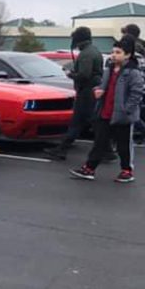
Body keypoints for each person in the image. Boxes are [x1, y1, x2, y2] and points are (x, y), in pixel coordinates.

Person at [70, 35, 144, 183]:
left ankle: (127, 171)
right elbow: (104, 86)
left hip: (122, 115)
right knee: (99, 142)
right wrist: (98, 91)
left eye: (118, 52)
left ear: (128, 55)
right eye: (113, 52)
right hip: (105, 111)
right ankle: (89, 169)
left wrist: (127, 109)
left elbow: (137, 93)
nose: (114, 55)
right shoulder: (109, 69)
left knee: (124, 145)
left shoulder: (133, 72)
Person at [43, 27, 103, 160]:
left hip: (86, 92)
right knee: (89, 121)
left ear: (78, 39)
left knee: (79, 122)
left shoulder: (86, 54)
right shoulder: (94, 51)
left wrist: (71, 74)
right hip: (92, 90)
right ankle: (106, 150)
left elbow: (84, 75)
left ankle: (62, 149)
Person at [121, 24, 145, 143]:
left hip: (134, 84)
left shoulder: (134, 48)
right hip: (138, 83)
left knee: (133, 112)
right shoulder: (140, 45)